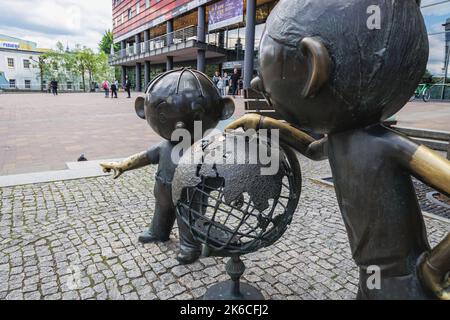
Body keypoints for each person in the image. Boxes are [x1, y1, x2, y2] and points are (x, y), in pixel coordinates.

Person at [227, 0, 450, 300]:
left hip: (400, 281)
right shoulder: (341, 139)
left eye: (268, 76)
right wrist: (264, 122)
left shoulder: (386, 146)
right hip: (370, 274)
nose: (257, 83)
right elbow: (312, 148)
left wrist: (433, 269)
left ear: (313, 69)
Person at [101, 68, 235, 265]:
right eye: (163, 115)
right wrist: (123, 165)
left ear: (223, 110)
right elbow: (144, 157)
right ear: (142, 109)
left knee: (187, 217)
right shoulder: (164, 147)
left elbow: (217, 169)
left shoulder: (202, 150)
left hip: (189, 193)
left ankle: (189, 245)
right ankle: (159, 231)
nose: (179, 123)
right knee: (162, 210)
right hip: (163, 188)